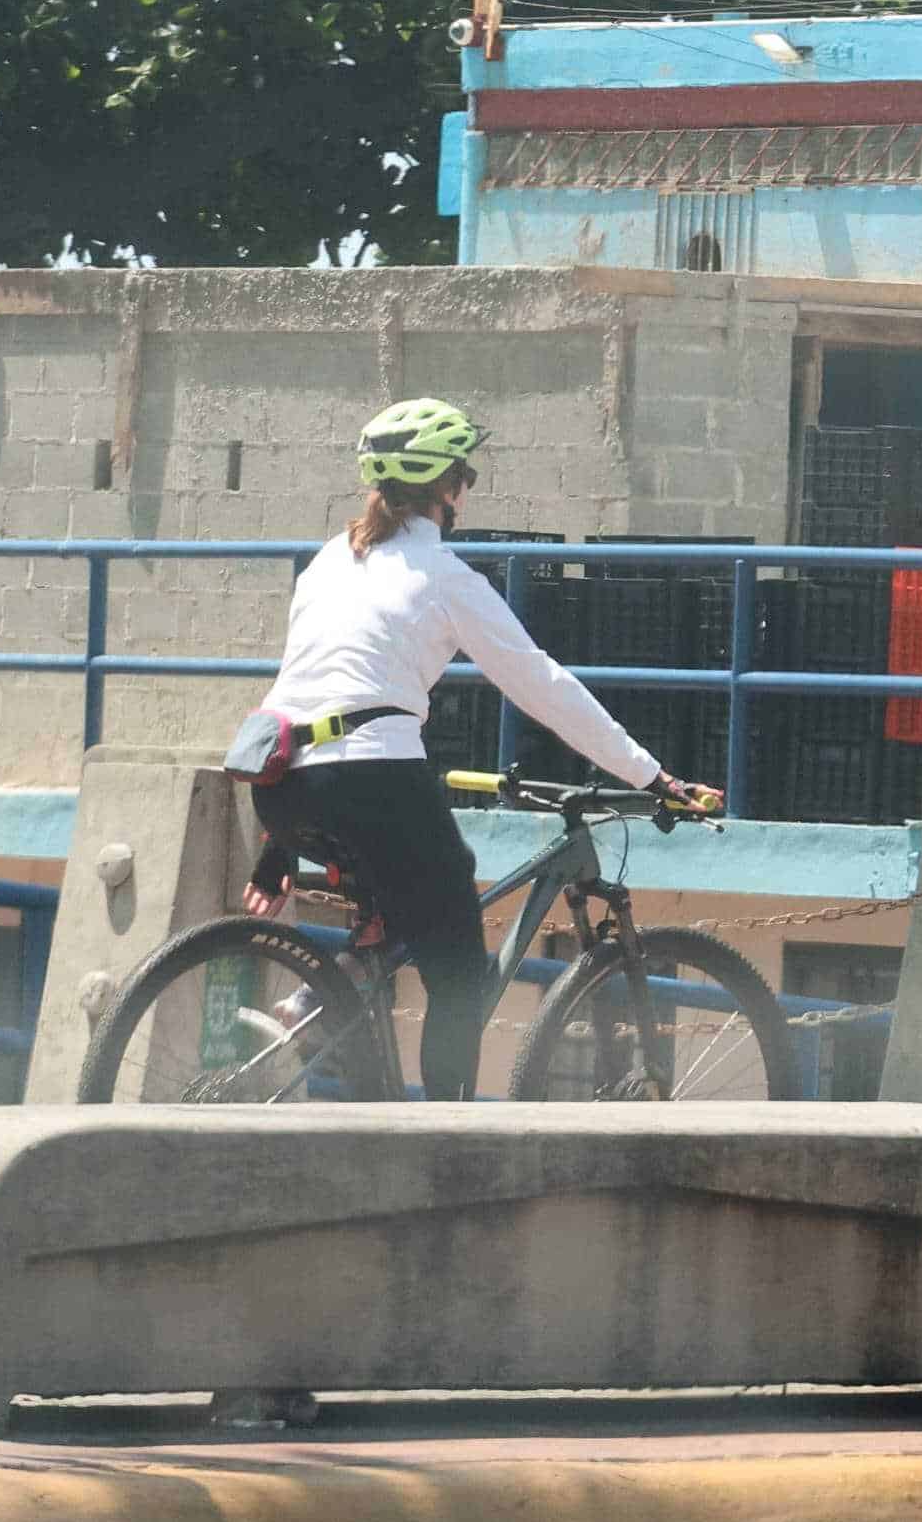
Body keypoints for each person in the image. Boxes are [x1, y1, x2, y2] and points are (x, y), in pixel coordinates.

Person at [239, 399, 718, 1101]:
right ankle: (447, 1142)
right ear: (447, 488)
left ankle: (327, 998)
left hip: (279, 781)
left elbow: (304, 690)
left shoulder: (328, 562)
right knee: (459, 960)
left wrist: (280, 843)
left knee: (400, 912)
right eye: (465, 474)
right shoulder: (446, 578)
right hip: (373, 779)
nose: (467, 488)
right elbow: (544, 686)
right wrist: (652, 774)